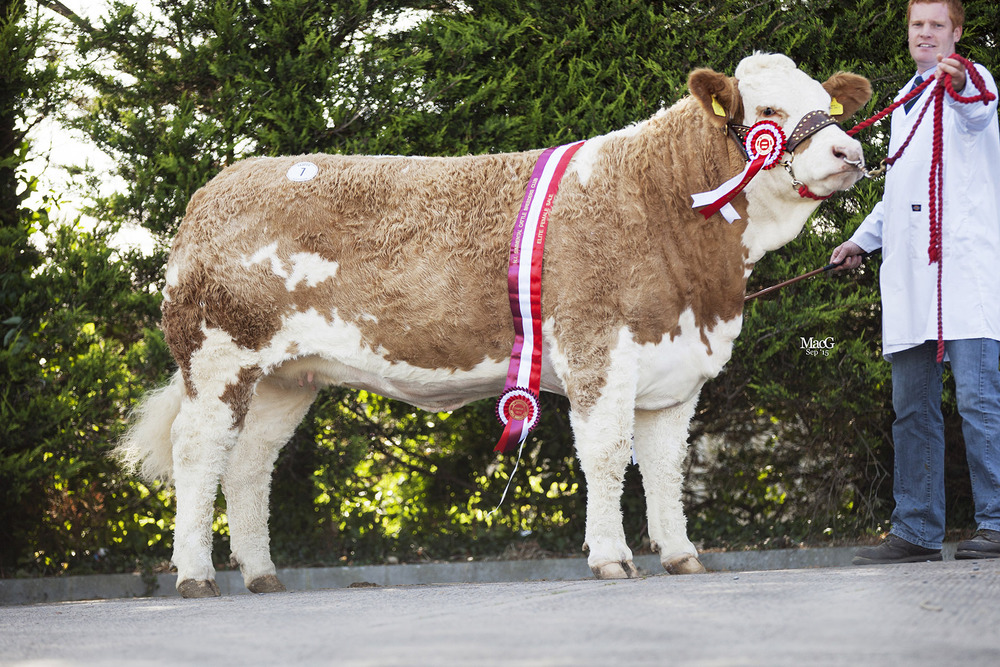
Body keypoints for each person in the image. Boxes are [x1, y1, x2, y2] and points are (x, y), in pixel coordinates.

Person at [831, 0, 1000, 564]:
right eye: (917, 25)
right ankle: (918, 530)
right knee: (912, 409)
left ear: (956, 33)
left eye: (937, 25)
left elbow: (977, 106)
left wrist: (961, 78)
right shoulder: (904, 101)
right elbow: (896, 194)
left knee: (979, 402)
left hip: (966, 275)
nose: (925, 33)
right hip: (912, 284)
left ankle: (998, 523)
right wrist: (859, 241)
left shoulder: (970, 82)